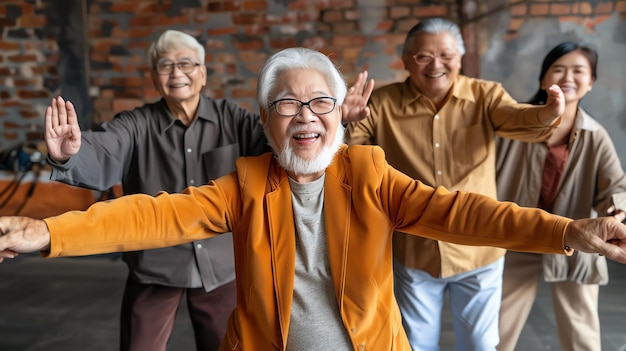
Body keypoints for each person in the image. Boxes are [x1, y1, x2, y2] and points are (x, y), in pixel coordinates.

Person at [1, 47, 626, 351]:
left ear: (339, 114)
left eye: (321, 102)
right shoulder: (243, 184)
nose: (306, 116)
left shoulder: (370, 172)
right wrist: (49, 233)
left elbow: (464, 213)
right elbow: (151, 214)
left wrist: (567, 231)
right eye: (288, 104)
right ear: (267, 122)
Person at [43, 30, 373, 351]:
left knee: (227, 344)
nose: (177, 73)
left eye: (186, 64)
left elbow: (285, 146)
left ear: (202, 74)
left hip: (221, 265)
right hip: (155, 265)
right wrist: (68, 154)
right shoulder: (135, 124)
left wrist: (338, 122)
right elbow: (103, 150)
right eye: (165, 65)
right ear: (154, 76)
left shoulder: (232, 119)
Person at [345, 17, 567, 350]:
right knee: (415, 343)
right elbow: (351, 153)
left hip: (478, 252)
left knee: (479, 345)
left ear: (460, 59)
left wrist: (548, 113)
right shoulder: (382, 103)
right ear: (405, 61)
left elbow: (519, 117)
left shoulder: (485, 95)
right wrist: (343, 121)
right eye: (423, 56)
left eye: (446, 55)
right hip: (414, 249)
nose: (436, 65)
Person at [495, 42, 626, 351]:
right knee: (495, 330)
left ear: (591, 81)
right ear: (544, 80)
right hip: (518, 235)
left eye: (579, 71)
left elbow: (615, 188)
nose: (569, 76)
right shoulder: (513, 126)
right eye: (559, 68)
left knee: (581, 336)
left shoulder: (596, 135)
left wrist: (616, 212)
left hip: (575, 241)